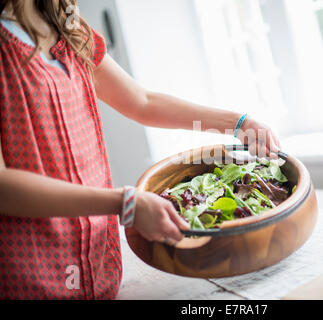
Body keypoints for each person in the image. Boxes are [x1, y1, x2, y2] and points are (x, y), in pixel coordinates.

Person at [0, 0, 280, 299]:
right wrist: (124, 203)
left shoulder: (68, 27)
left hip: (99, 267)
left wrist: (237, 123)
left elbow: (142, 102)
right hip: (31, 275)